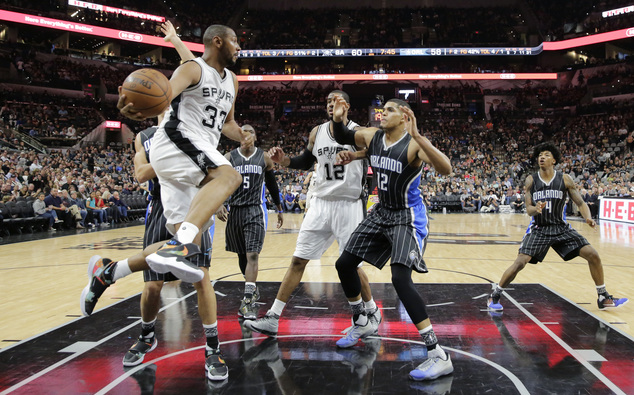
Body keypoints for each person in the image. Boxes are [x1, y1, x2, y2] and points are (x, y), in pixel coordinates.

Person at [86, 20, 239, 381]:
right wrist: (141, 100)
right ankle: (202, 344)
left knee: (185, 253)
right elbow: (168, 91)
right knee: (230, 176)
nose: (240, 47)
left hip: (194, 159)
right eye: (235, 40)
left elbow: (227, 123)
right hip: (176, 145)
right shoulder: (191, 68)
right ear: (218, 42)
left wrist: (244, 134)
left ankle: (110, 272)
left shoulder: (232, 81)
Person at [330, 96, 454, 381]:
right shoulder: (373, 136)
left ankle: (438, 354)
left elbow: (447, 168)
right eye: (381, 109)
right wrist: (338, 119)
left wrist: (419, 136)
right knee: (344, 263)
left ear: (404, 116)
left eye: (389, 110)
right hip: (381, 211)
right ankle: (362, 321)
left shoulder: (413, 145)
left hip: (407, 217)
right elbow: (344, 135)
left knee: (400, 279)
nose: (382, 113)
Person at [245, 90, 379, 337]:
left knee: (351, 266)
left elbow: (375, 152)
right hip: (319, 202)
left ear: (346, 106)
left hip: (348, 203)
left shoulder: (358, 132)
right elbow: (306, 161)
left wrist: (356, 155)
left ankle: (370, 310)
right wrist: (285, 161)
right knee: (298, 259)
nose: (330, 104)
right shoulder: (317, 132)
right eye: (327, 101)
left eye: (335, 101)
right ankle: (273, 317)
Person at [487, 142, 628, 312]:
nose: (542, 157)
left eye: (546, 154)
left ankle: (603, 296)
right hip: (539, 228)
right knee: (520, 263)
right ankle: (495, 294)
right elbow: (528, 209)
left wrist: (588, 218)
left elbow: (580, 202)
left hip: (560, 228)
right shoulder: (531, 180)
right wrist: (536, 209)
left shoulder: (565, 179)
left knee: (593, 255)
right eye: (540, 155)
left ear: (554, 160)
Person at [222, 124, 283, 319]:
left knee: (253, 255)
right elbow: (219, 183)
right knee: (242, 256)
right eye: (243, 132)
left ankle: (247, 300)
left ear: (255, 137)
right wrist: (218, 204)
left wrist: (279, 208)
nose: (247, 135)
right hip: (236, 211)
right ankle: (252, 288)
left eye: (250, 132)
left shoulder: (264, 157)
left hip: (255, 210)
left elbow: (272, 185)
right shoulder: (229, 158)